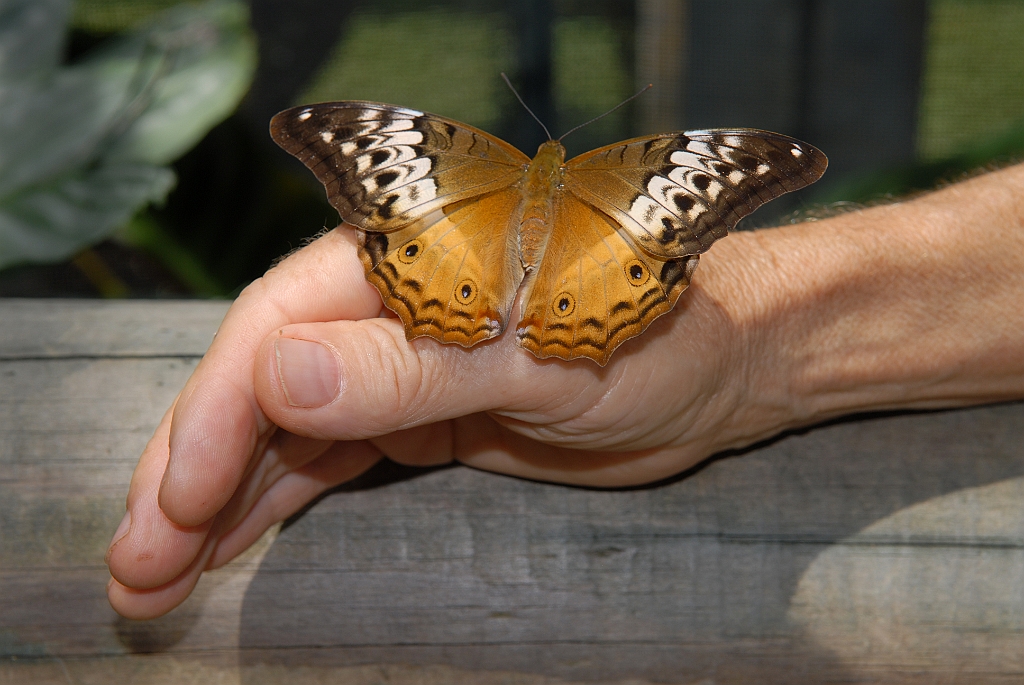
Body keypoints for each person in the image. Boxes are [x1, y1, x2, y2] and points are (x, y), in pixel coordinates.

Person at [105, 162, 1024, 620]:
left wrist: (747, 340)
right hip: (587, 270)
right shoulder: (611, 169)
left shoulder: (480, 166)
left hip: (563, 269)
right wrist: (755, 355)